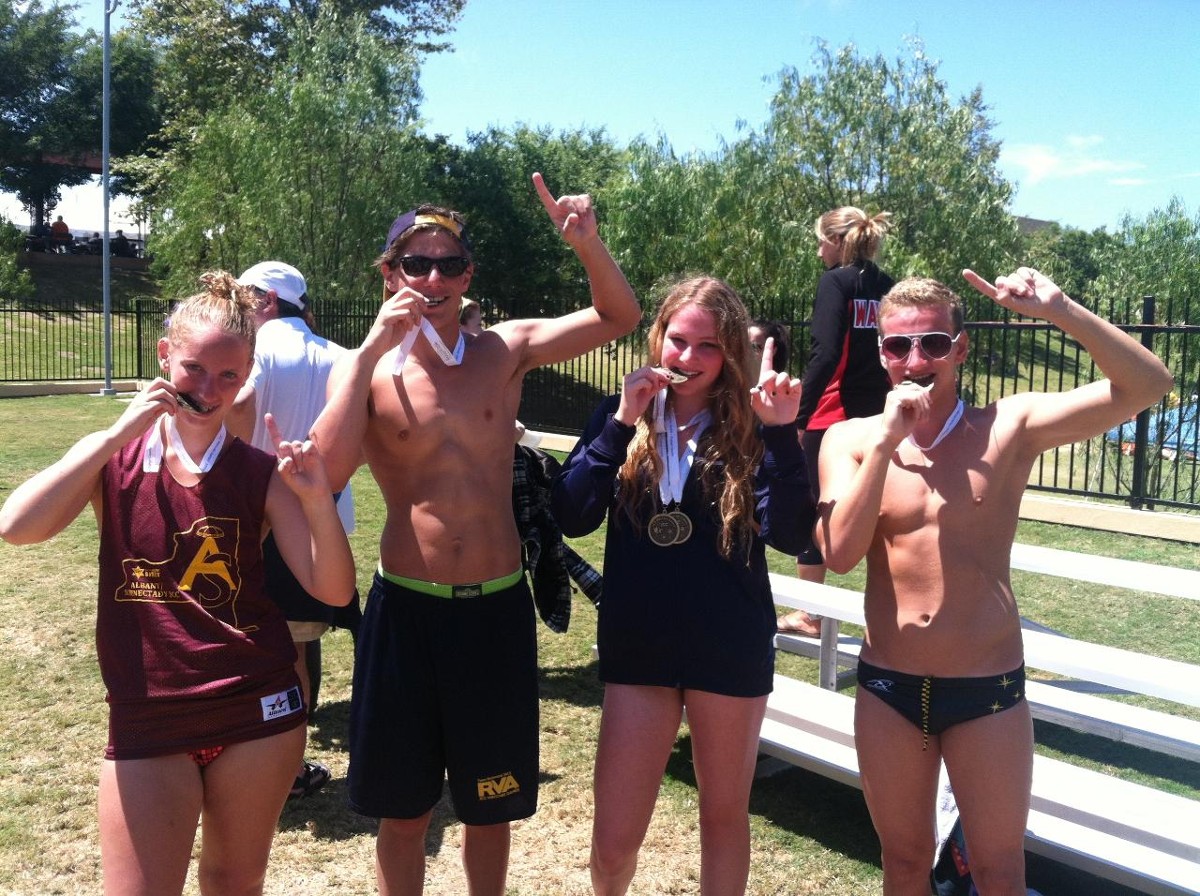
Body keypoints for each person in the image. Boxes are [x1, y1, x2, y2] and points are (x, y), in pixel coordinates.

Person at [312, 172, 641, 896]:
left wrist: (587, 244)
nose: (433, 279)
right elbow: (326, 472)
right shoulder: (364, 371)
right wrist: (370, 348)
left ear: (468, 276)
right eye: (415, 264)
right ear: (389, 273)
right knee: (405, 811)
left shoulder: (505, 348)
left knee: (491, 808)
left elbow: (617, 316)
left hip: (494, 609)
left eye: (449, 264)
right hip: (407, 610)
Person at [813, 267, 1173, 895]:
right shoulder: (849, 440)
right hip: (890, 686)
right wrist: (887, 443)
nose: (915, 360)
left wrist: (1061, 310)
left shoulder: (1008, 426)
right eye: (899, 346)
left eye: (932, 343)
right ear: (882, 353)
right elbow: (839, 554)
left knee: (1000, 870)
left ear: (960, 349)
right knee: (904, 863)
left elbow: (1149, 384)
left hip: (987, 689)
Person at [0, 271, 356, 896]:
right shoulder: (114, 457)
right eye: (194, 368)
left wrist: (315, 498)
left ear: (247, 376)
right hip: (149, 713)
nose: (209, 389)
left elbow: (333, 592)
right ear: (165, 355)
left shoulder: (259, 471)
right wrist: (115, 434)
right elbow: (17, 527)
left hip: (257, 708)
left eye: (228, 375)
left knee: (233, 884)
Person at [551, 276, 815, 895]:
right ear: (658, 339)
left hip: (728, 643)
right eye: (678, 340)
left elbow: (791, 534)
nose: (688, 357)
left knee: (723, 817)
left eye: (708, 346)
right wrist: (621, 422)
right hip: (640, 645)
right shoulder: (623, 414)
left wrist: (781, 433)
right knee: (613, 839)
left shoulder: (754, 424)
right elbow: (571, 513)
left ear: (731, 353)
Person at [226, 260, 361, 800]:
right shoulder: (340, 356)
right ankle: (289, 766)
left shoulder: (256, 349)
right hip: (322, 521)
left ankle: (262, 766)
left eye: (243, 297)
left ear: (265, 301)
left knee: (251, 647)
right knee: (297, 650)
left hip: (259, 522)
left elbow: (237, 405)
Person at [778, 205, 895, 637]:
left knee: (817, 507)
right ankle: (888, 613)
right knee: (883, 512)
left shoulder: (835, 281)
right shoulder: (888, 285)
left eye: (820, 242)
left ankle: (809, 613)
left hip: (832, 416)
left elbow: (824, 354)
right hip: (880, 415)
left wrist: (799, 415)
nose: (818, 252)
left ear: (836, 241)